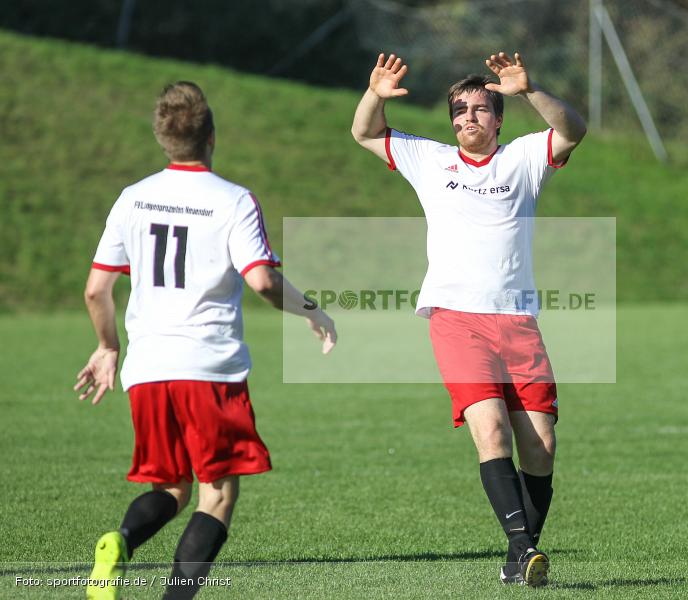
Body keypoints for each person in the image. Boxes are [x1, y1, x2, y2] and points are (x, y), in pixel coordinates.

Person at [75, 81, 336, 600]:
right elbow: (262, 280)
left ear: (162, 138)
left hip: (147, 369)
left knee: (171, 486)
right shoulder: (233, 200)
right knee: (215, 495)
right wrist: (312, 310)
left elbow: (96, 290)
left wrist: (108, 348)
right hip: (208, 367)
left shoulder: (133, 198)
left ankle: (120, 541)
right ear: (211, 136)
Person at [351, 52, 586, 587]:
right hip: (457, 319)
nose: (468, 119)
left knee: (542, 446)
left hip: (519, 322)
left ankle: (518, 557)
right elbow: (365, 132)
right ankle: (525, 549)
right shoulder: (430, 160)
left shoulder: (524, 158)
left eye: (481, 110)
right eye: (460, 111)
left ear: (498, 118)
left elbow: (573, 129)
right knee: (492, 432)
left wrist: (531, 90)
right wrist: (375, 94)